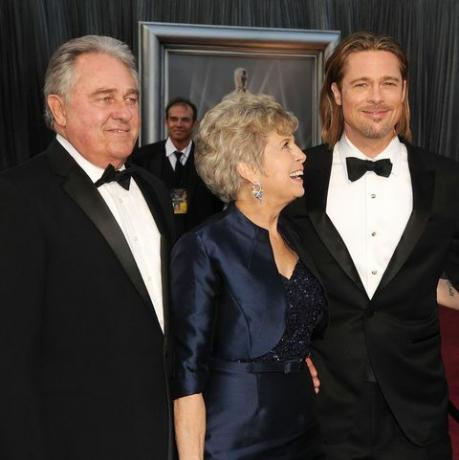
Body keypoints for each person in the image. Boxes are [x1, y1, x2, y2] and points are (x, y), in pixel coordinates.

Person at [286, 31, 459, 459]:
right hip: (320, 406)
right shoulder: (296, 177)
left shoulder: (448, 179)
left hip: (417, 410)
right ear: (337, 92)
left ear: (404, 91)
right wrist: (285, 347)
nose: (377, 97)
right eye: (361, 84)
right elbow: (259, 272)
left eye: (389, 83)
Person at [0, 35, 174, 460]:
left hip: (161, 438)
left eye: (131, 98)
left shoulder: (152, 189)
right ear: (58, 110)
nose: (123, 112)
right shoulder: (18, 196)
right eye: (105, 98)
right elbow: (10, 359)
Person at [171, 93, 327, 459]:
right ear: (248, 168)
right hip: (237, 439)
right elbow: (187, 379)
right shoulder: (205, 246)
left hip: (304, 429)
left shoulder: (296, 236)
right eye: (285, 145)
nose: (301, 154)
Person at [133, 97, 222, 237]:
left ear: (194, 123)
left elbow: (216, 205)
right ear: (166, 122)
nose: (179, 124)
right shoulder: (142, 158)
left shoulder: (210, 158)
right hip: (156, 238)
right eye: (174, 119)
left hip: (200, 240)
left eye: (185, 120)